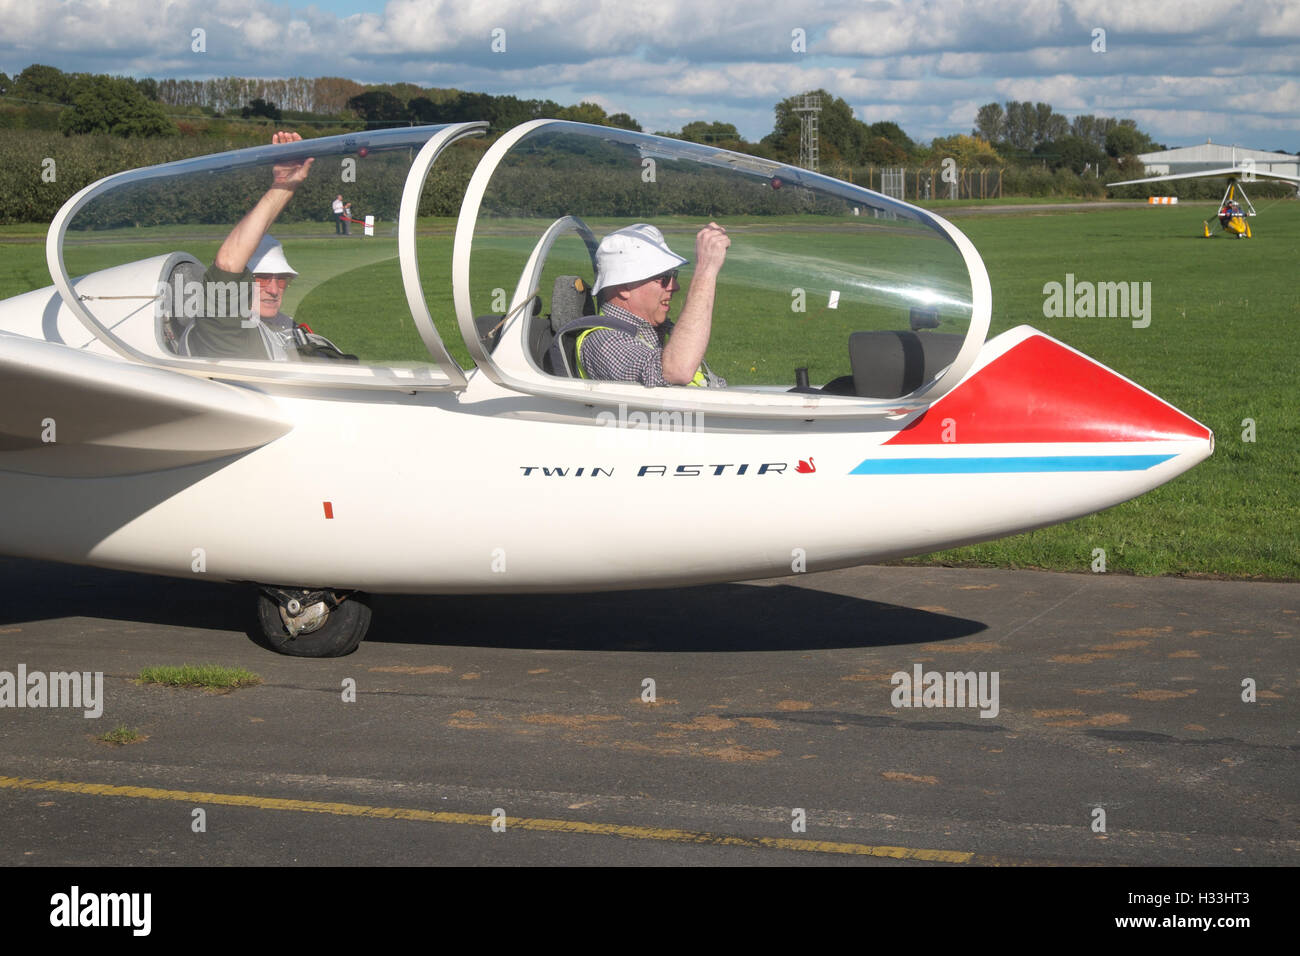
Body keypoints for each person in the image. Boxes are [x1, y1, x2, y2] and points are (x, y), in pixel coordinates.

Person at [183, 131, 351, 362]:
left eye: (281, 279)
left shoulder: (286, 329)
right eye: (262, 278)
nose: (273, 290)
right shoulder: (221, 330)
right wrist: (282, 187)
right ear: (240, 285)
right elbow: (228, 262)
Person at [574, 222, 730, 387]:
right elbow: (677, 371)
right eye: (664, 279)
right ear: (624, 287)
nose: (674, 287)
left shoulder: (653, 332)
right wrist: (706, 269)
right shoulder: (604, 343)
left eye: (673, 276)